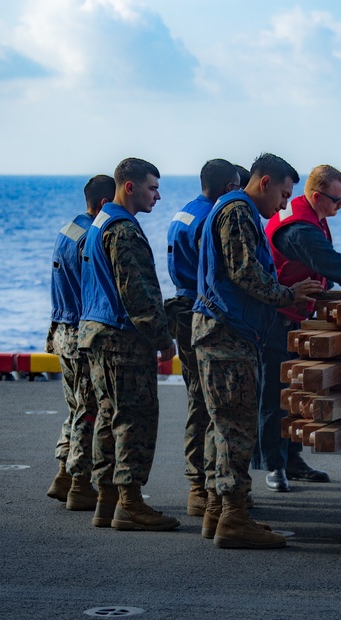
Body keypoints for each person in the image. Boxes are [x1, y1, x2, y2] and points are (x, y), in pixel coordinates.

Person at [192, 152, 323, 549]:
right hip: (228, 334)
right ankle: (234, 518)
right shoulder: (238, 211)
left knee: (222, 427)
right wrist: (289, 294)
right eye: (283, 195)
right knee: (236, 427)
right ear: (264, 182)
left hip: (225, 332)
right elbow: (244, 272)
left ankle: (218, 511)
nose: (284, 205)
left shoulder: (233, 210)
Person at [256, 164, 341, 491]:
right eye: (337, 200)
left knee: (295, 392)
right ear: (317, 196)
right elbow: (333, 264)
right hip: (275, 320)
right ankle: (274, 466)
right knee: (275, 395)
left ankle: (292, 459)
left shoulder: (309, 214)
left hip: (294, 315)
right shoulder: (299, 229)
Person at [78, 157, 179, 532]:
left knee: (109, 418)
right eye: (152, 188)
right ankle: (131, 504)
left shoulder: (98, 223)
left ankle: (106, 500)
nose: (158, 195)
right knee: (134, 420)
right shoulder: (124, 230)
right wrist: (162, 337)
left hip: (96, 332)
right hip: (122, 339)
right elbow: (136, 292)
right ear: (130, 187)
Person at [164, 159, 241, 517]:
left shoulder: (185, 212)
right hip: (200, 307)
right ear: (230, 186)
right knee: (205, 400)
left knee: (199, 396)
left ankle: (202, 484)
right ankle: (201, 485)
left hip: (182, 302)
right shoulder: (214, 218)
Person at [46, 174, 115, 511]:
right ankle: (78, 482)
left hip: (61, 328)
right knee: (89, 410)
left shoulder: (69, 228)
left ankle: (63, 472)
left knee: (76, 406)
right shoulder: (92, 237)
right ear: (105, 203)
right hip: (81, 331)